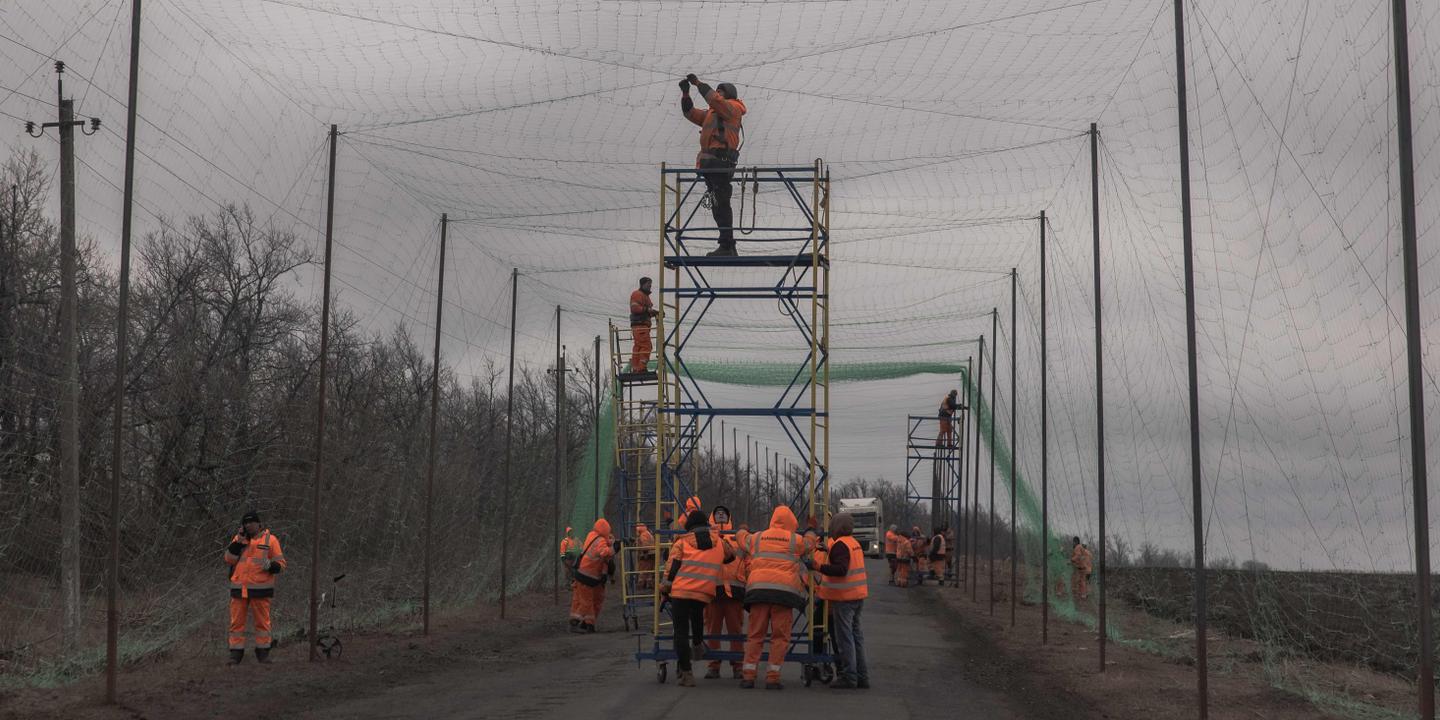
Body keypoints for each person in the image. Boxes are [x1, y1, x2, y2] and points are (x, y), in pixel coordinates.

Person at [737, 505, 810, 689]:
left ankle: (748, 676)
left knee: (755, 635)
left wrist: (742, 529)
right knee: (780, 636)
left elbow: (741, 540)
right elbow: (810, 544)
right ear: (792, 522)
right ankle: (772, 677)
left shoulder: (758, 538)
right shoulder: (795, 540)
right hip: (783, 595)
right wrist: (811, 531)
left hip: (758, 592)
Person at [660, 510, 736, 687]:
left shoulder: (682, 543)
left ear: (689, 526)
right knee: (697, 618)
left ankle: (686, 673)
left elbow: (670, 571)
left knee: (680, 632)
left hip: (680, 592)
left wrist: (664, 589)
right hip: (703, 593)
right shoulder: (718, 542)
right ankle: (697, 644)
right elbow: (731, 556)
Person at [679, 73, 747, 257]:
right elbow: (690, 114)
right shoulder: (712, 113)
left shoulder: (733, 108)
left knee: (722, 203)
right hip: (710, 164)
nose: (717, 94)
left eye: (721, 91)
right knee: (718, 204)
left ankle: (727, 246)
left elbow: (715, 100)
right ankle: (725, 244)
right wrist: (685, 94)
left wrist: (698, 84)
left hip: (722, 162)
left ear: (729, 94)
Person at [223, 510, 287, 665]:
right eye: (246, 522)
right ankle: (236, 654)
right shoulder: (239, 540)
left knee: (262, 623)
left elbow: (282, 565)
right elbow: (228, 559)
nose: (248, 525)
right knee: (236, 623)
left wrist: (271, 566)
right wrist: (238, 542)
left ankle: (263, 652)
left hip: (261, 589)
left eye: (251, 522)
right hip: (239, 588)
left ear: (259, 524)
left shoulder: (271, 540)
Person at [818, 513, 870, 689]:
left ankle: (849, 677)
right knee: (856, 637)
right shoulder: (853, 543)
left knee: (845, 638)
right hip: (857, 596)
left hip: (844, 598)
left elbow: (840, 569)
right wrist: (829, 551)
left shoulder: (840, 545)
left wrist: (818, 566)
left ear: (836, 526)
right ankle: (862, 677)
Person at [705, 505, 747, 679]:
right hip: (713, 592)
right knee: (712, 631)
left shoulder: (738, 539)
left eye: (723, 513)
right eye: (717, 513)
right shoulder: (706, 538)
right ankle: (713, 665)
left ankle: (738, 665)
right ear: (712, 517)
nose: (720, 515)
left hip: (735, 592)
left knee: (735, 631)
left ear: (729, 517)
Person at [571, 518, 616, 633]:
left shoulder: (591, 535)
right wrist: (615, 547)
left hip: (583, 573)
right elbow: (603, 553)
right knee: (589, 600)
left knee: (586, 599)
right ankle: (581, 622)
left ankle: (585, 622)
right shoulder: (601, 541)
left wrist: (612, 544)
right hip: (590, 575)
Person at [628, 277, 659, 375]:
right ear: (642, 284)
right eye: (648, 285)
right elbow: (635, 308)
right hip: (640, 325)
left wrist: (654, 313)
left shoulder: (644, 296)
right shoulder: (637, 294)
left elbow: (644, 310)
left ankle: (636, 368)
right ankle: (641, 368)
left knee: (639, 346)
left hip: (640, 326)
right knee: (646, 346)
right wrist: (648, 310)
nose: (650, 287)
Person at [560, 526, 582, 628]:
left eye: (572, 532)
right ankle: (568, 585)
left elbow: (581, 549)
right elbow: (562, 553)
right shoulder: (564, 541)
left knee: (575, 573)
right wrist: (564, 561)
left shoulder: (577, 540)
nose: (571, 533)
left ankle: (574, 584)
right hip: (568, 559)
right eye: (570, 532)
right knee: (568, 573)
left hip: (575, 558)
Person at [635, 523, 656, 591]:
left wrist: (645, 553)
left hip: (646, 555)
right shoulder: (648, 533)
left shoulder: (643, 535)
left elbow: (645, 544)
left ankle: (640, 585)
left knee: (643, 571)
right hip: (652, 554)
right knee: (649, 571)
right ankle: (650, 584)